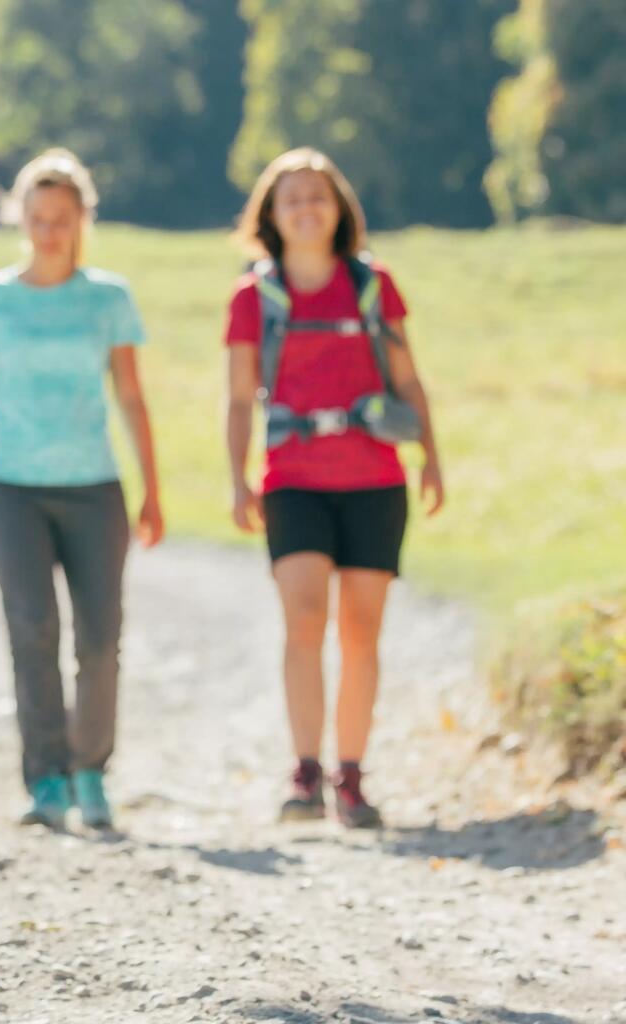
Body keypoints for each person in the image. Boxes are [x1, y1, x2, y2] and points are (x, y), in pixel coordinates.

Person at [224, 147, 443, 828]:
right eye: (291, 199)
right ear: (272, 214)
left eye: (318, 196)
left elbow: (407, 381)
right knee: (305, 621)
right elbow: (237, 400)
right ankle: (305, 773)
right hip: (292, 480)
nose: (306, 209)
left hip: (376, 478)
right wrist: (237, 479)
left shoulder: (375, 286)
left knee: (361, 631)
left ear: (340, 208)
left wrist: (432, 457)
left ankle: (352, 777)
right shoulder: (251, 299)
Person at [0, 148, 163, 831]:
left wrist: (153, 489)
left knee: (101, 639)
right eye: (37, 218)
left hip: (95, 489)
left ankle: (90, 770)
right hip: (11, 491)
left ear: (81, 220)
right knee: (33, 628)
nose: (48, 231)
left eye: (61, 219)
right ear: (20, 218)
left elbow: (131, 397)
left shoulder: (109, 298)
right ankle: (45, 779)